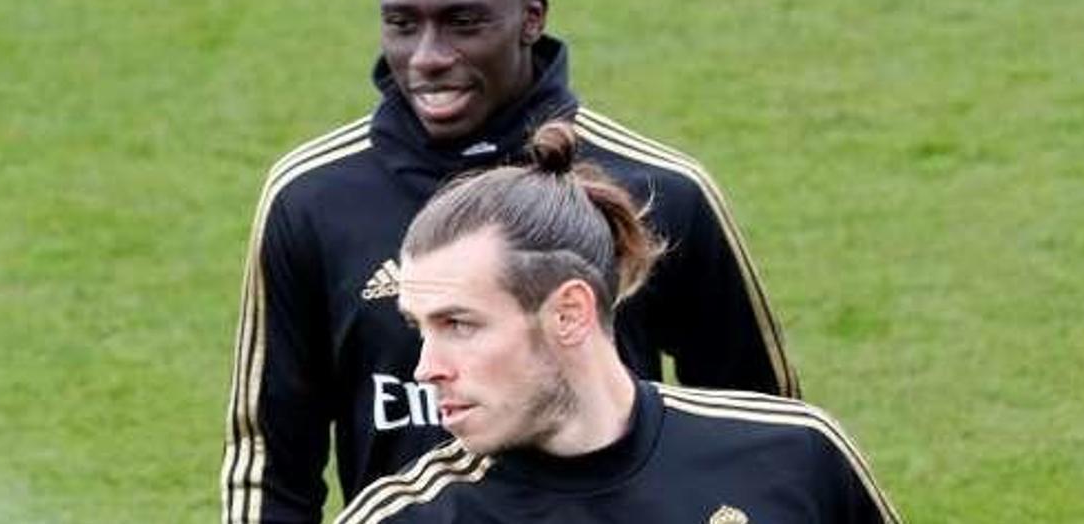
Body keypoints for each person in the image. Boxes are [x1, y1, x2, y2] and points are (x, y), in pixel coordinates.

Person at [221, 0, 800, 522]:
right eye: (401, 24)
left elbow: (758, 428)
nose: (427, 56)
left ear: (531, 17)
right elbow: (270, 459)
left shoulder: (659, 191)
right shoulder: (311, 199)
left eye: (462, 23)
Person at [333, 122, 901, 524]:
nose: (426, 370)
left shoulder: (791, 455)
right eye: (419, 327)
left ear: (569, 313)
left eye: (459, 324)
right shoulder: (408, 517)